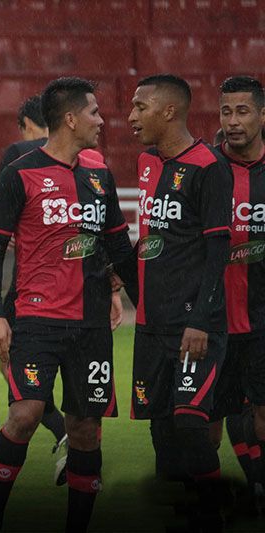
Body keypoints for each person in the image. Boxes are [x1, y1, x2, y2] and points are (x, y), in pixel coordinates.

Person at [0, 77, 136, 532]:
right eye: (94, 113)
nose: (101, 121)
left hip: (89, 325)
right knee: (25, 413)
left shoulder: (99, 173)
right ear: (70, 119)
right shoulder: (20, 170)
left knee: (85, 426)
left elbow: (118, 247)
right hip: (35, 318)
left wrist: (134, 299)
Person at [127, 74, 233, 528]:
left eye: (139, 107)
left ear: (168, 111)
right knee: (163, 433)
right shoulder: (147, 163)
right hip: (151, 328)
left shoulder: (210, 166)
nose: (131, 117)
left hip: (194, 326)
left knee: (191, 424)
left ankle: (215, 514)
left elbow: (218, 251)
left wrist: (203, 319)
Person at [211, 75, 265, 507]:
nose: (232, 121)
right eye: (226, 111)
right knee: (208, 420)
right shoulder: (206, 170)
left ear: (262, 116)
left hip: (263, 318)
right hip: (212, 321)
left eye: (242, 111)